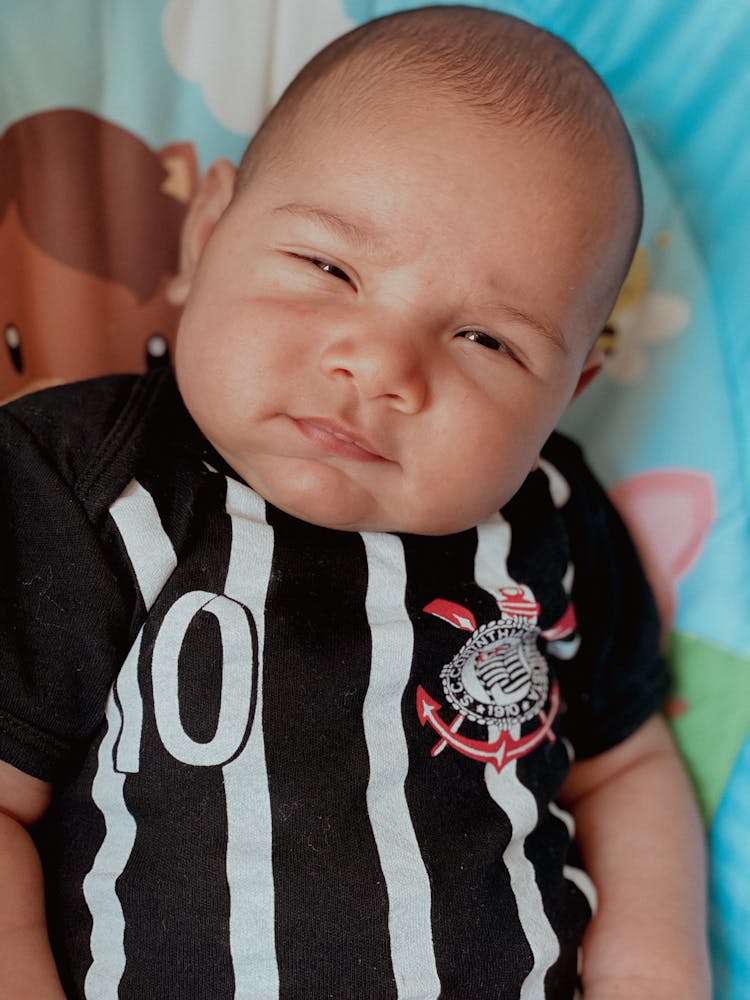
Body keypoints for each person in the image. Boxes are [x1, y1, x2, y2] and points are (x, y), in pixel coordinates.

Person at [0, 6, 710, 999]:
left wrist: (652, 973)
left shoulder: (552, 519)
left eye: (486, 341)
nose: (380, 365)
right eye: (327, 268)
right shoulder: (83, 485)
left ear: (568, 394)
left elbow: (624, 767)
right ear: (206, 234)